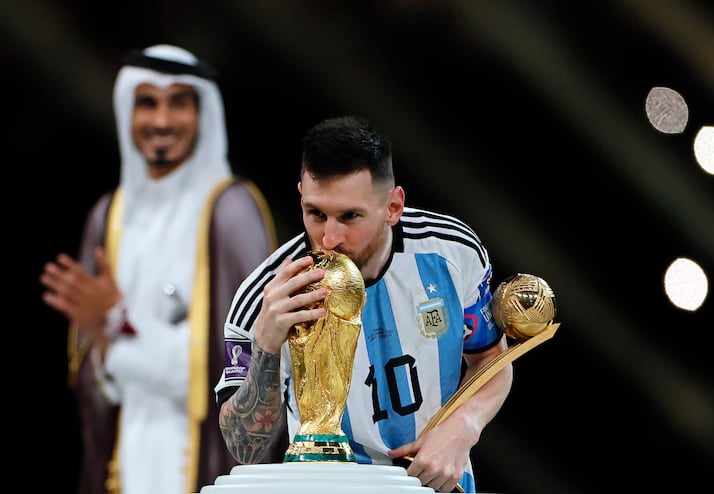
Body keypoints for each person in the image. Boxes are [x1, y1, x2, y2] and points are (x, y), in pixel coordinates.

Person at [215, 115, 513, 493]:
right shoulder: (263, 296)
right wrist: (267, 345)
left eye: (350, 216)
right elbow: (246, 447)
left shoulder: (451, 253)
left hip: (433, 486)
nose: (330, 238)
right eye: (315, 214)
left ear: (393, 206)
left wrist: (464, 427)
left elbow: (491, 361)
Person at [40, 44, 288, 494]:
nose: (161, 120)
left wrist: (114, 331)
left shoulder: (230, 212)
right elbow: (94, 381)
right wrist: (106, 341)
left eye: (178, 102)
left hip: (203, 463)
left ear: (202, 112)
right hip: (130, 456)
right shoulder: (109, 216)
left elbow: (238, 367)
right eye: (147, 103)